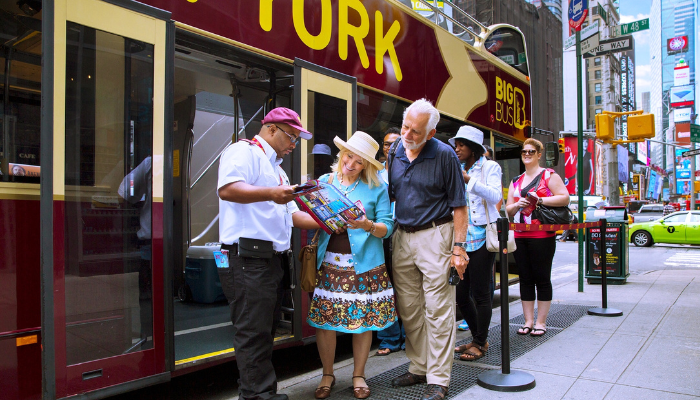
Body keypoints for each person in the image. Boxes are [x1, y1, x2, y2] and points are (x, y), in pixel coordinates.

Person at [217, 107, 320, 400]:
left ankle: (262, 392)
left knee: (265, 329)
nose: (293, 145)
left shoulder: (278, 170)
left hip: (272, 260)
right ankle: (256, 395)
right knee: (253, 331)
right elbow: (228, 189)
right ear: (272, 129)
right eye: (292, 137)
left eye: (297, 140)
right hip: (247, 258)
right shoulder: (242, 152)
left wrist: (334, 222)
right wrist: (272, 194)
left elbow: (293, 217)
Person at [387, 98, 468, 400]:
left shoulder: (445, 155)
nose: (408, 134)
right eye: (406, 127)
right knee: (409, 309)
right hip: (402, 236)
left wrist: (458, 249)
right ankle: (419, 365)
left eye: (416, 132)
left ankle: (438, 378)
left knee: (438, 309)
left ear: (431, 133)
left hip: (436, 235)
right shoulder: (395, 150)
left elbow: (460, 207)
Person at [307, 131, 396, 399]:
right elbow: (311, 214)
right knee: (325, 322)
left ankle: (358, 375)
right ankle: (327, 374)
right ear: (341, 155)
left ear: (367, 165)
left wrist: (365, 224)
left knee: (363, 322)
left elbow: (388, 228)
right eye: (349, 156)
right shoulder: (325, 181)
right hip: (329, 263)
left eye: (359, 161)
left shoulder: (377, 188)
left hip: (365, 266)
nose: (351, 163)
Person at [505, 138, 569, 337]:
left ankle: (541, 322)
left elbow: (564, 197)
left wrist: (539, 199)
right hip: (520, 233)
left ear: (539, 155)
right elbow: (508, 208)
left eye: (531, 151)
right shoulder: (516, 180)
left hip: (542, 234)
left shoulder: (548, 175)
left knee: (542, 278)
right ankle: (528, 321)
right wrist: (517, 205)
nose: (527, 154)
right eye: (524, 151)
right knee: (525, 279)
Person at [449, 126, 502, 362]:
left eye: (461, 145)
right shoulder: (456, 167)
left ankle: (480, 342)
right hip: (460, 238)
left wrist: (469, 180)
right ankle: (477, 337)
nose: (457, 148)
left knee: (481, 294)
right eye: (456, 144)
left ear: (473, 148)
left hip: (482, 237)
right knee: (461, 294)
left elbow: (495, 196)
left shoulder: (490, 167)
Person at [376, 127, 406, 356]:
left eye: (395, 143)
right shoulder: (374, 172)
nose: (390, 148)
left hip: (403, 230)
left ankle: (409, 335)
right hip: (379, 232)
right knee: (383, 285)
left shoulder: (408, 169)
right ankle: (389, 337)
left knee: (405, 285)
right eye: (387, 144)